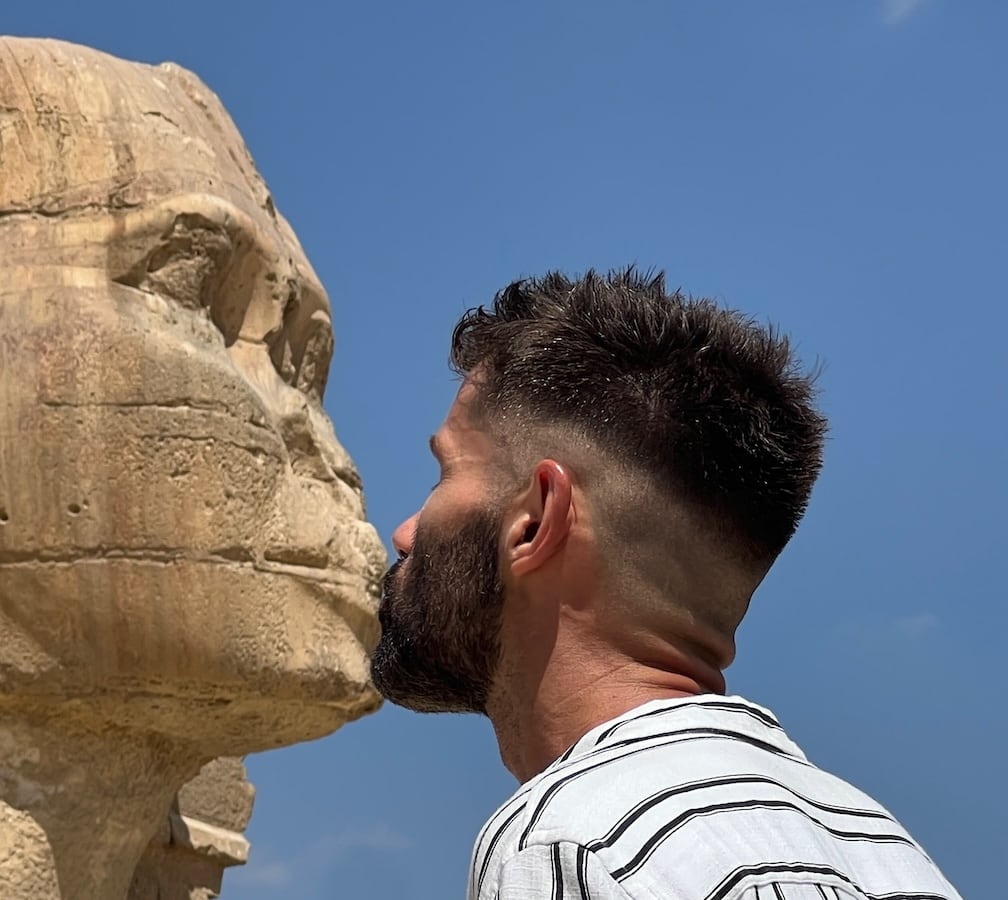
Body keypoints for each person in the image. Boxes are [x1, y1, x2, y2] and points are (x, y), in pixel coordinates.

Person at [371, 268, 961, 900]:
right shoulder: (889, 853)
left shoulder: (572, 845)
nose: (403, 533)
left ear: (537, 519)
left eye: (443, 474)